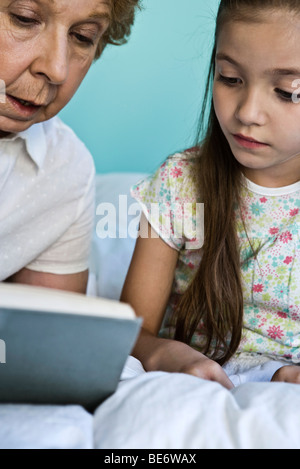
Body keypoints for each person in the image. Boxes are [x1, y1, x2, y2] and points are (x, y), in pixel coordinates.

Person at [121, 0, 300, 388]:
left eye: (288, 92)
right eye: (230, 77)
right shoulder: (179, 183)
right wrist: (166, 353)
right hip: (198, 377)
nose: (248, 112)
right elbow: (131, 331)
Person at [0, 0, 141, 293]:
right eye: (24, 19)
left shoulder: (65, 168)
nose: (56, 69)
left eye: (82, 37)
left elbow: (46, 333)